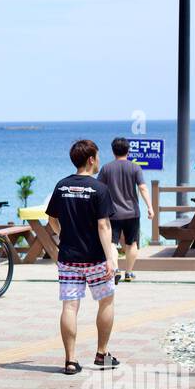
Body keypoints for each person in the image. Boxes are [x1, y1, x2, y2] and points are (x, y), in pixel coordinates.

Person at [46, 139, 120, 375]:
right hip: (96, 258)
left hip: (68, 257)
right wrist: (111, 257)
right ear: (91, 159)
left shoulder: (62, 186)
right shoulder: (99, 189)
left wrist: (64, 235)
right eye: (98, 157)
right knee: (106, 301)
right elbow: (103, 226)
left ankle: (70, 360)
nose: (99, 161)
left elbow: (51, 219)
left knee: (70, 307)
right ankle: (102, 353)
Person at [96, 137, 154, 281]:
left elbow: (98, 189)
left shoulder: (106, 168)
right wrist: (150, 207)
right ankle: (129, 272)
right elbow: (142, 188)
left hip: (112, 213)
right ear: (128, 151)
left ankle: (115, 268)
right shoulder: (135, 167)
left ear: (113, 151)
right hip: (132, 213)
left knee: (111, 243)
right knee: (132, 243)